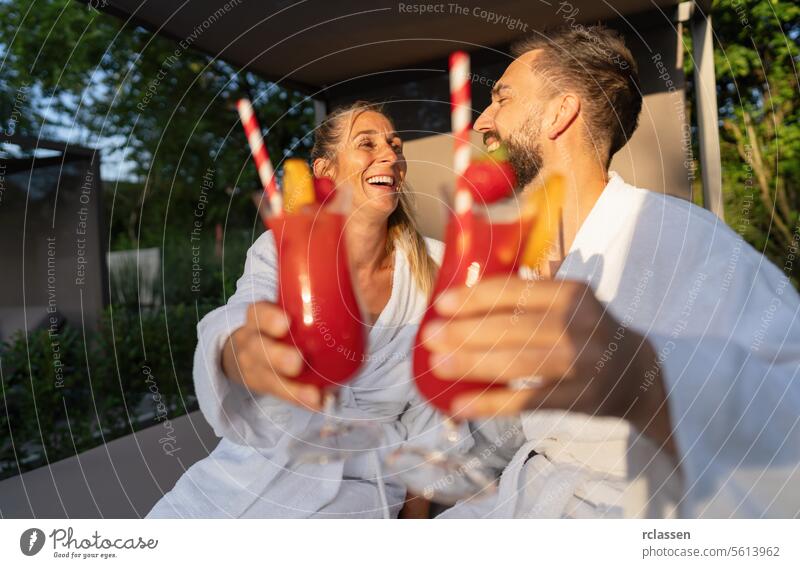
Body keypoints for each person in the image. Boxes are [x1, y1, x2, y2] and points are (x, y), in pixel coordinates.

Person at [428, 26, 800, 518]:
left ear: (561, 112)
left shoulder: (682, 241)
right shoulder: (520, 260)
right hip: (525, 496)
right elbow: (528, 433)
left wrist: (647, 375)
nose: (484, 122)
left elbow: (788, 406)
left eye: (503, 98)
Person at [148, 102, 461, 518]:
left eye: (395, 145)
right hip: (253, 468)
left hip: (362, 487)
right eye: (366, 143)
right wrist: (240, 352)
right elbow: (242, 314)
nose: (390, 155)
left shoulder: (438, 268)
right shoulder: (284, 252)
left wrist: (413, 517)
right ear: (324, 170)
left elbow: (433, 408)